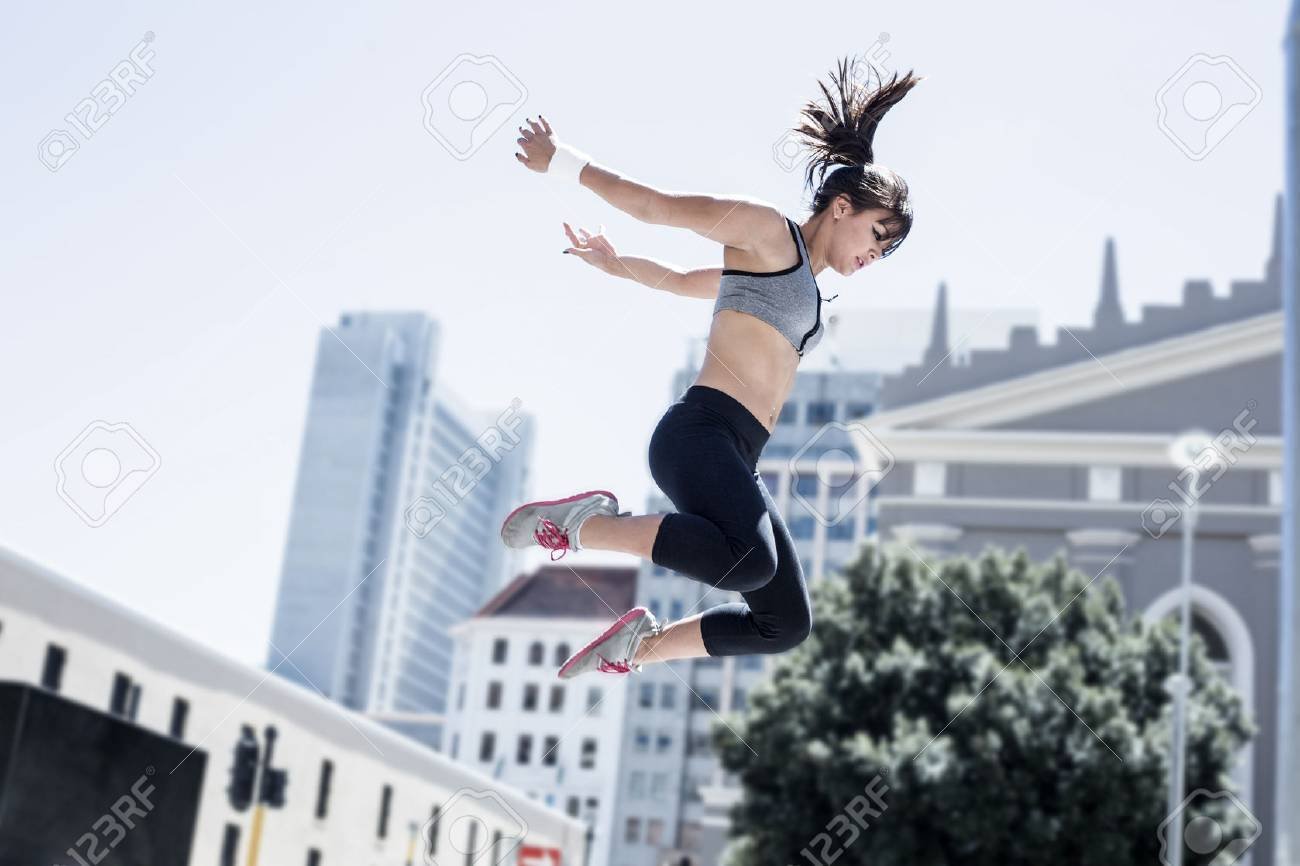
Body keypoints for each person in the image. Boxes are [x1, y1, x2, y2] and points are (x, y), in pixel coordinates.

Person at [500, 55, 922, 679]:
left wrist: (616, 265)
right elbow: (659, 207)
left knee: (785, 623)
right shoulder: (766, 234)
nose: (874, 255)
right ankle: (584, 525)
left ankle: (638, 648)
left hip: (734, 455)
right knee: (750, 562)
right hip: (698, 436)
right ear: (840, 206)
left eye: (886, 250)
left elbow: (679, 281)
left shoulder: (803, 285)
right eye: (876, 234)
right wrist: (564, 161)